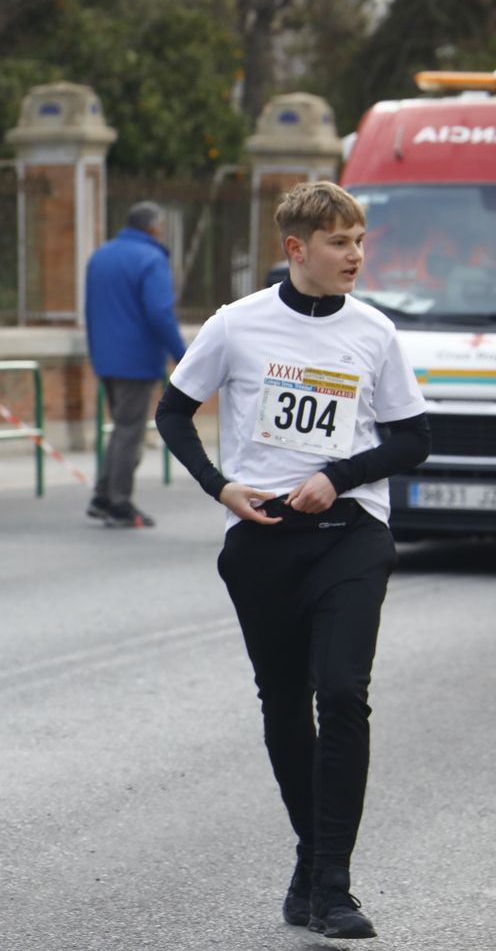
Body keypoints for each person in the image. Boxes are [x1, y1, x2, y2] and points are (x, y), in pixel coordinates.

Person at [155, 181, 429, 940]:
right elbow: (173, 411)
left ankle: (333, 886)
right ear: (296, 249)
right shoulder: (237, 324)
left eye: (360, 241)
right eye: (340, 243)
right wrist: (220, 486)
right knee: (283, 704)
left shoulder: (374, 331)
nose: (355, 255)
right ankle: (313, 857)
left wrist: (338, 476)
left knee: (341, 693)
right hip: (264, 540)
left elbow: (413, 439)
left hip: (351, 534)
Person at [84, 201, 188, 527]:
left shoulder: (101, 256)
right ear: (154, 227)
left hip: (106, 356)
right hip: (137, 358)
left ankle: (104, 494)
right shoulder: (151, 259)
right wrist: (183, 356)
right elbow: (160, 313)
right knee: (130, 432)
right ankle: (119, 502)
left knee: (121, 427)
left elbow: (90, 308)